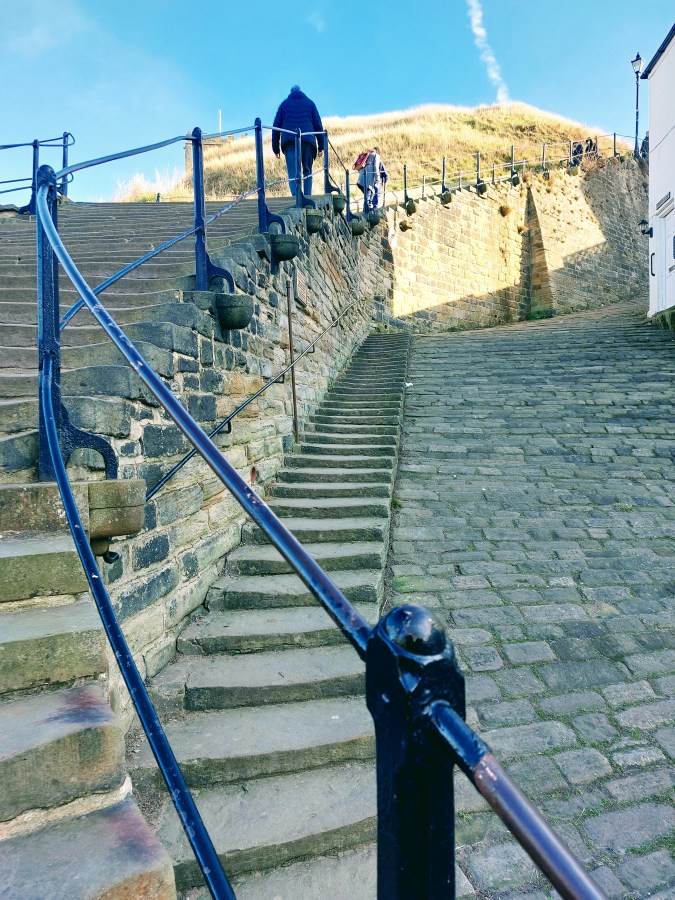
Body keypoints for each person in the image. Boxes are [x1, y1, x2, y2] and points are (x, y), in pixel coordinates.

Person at [272, 85, 324, 199]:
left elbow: (276, 126)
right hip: (307, 141)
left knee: (293, 174)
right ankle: (307, 199)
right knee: (307, 172)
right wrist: (321, 146)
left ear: (290, 93)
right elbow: (318, 125)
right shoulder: (310, 103)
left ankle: (296, 200)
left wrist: (275, 148)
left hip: (290, 142)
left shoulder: (284, 105)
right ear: (301, 92)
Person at [361, 147, 388, 213]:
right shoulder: (369, 161)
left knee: (374, 194)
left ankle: (372, 209)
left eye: (373, 152)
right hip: (371, 182)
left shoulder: (378, 161)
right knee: (370, 195)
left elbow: (385, 174)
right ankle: (368, 208)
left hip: (376, 182)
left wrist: (384, 182)